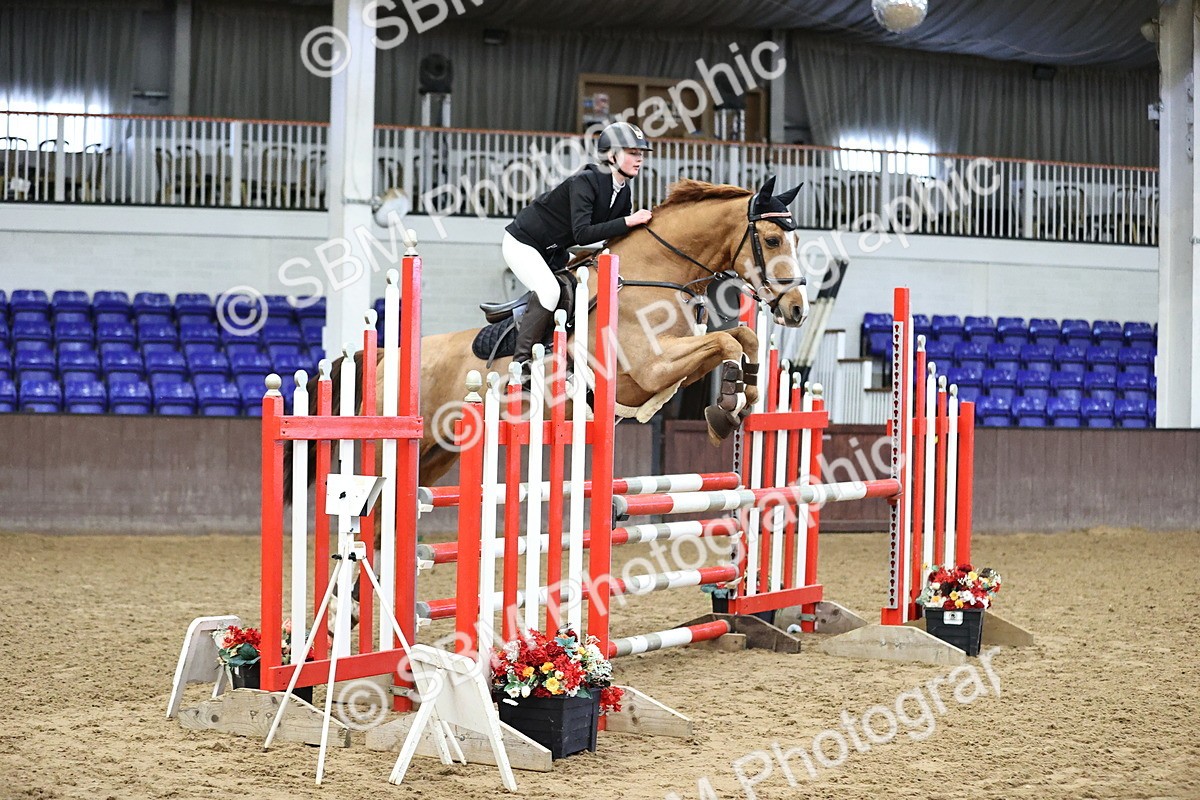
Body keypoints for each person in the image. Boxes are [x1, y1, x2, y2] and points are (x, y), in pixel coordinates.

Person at [502, 121, 654, 371]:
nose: (639, 159)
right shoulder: (585, 182)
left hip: (554, 251)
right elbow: (582, 234)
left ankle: (559, 347)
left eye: (641, 154)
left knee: (577, 289)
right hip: (523, 243)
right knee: (550, 292)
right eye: (632, 153)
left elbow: (616, 238)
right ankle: (520, 365)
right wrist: (629, 221)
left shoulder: (623, 192)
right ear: (611, 156)